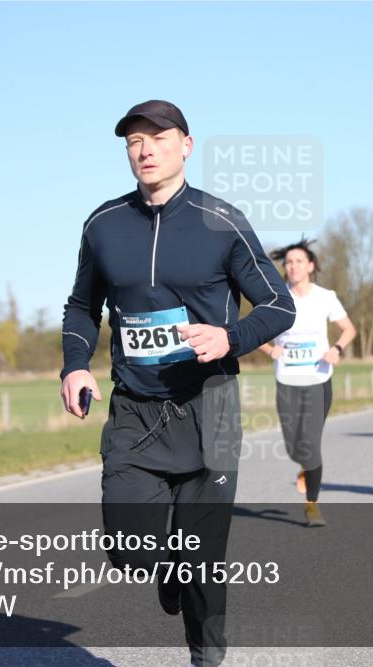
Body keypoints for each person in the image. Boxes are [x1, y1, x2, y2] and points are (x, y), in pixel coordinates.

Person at [60, 100, 295, 667]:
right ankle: (169, 568)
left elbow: (277, 305)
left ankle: (205, 658)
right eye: (134, 141)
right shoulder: (103, 224)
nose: (145, 150)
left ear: (186, 146)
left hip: (209, 405)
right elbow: (82, 306)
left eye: (158, 138)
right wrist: (74, 363)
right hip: (135, 410)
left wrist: (230, 337)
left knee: (204, 557)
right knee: (128, 546)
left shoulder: (223, 221)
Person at [258, 238, 356, 527]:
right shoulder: (276, 298)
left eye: (299, 261)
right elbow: (255, 330)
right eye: (288, 262)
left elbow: (348, 329)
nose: (293, 266)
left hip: (318, 379)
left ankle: (312, 505)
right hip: (287, 380)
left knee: (310, 444)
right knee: (293, 446)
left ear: (311, 266)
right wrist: (269, 349)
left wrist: (336, 349)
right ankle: (304, 465)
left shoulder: (325, 297)